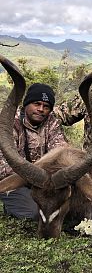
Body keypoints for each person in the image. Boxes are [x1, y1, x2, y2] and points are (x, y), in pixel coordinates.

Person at [0, 83, 68, 219]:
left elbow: (61, 152)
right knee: (36, 212)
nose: (41, 109)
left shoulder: (52, 122)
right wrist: (36, 176)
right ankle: (11, 205)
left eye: (46, 106)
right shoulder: (9, 123)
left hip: (43, 183)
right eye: (36, 104)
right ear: (26, 104)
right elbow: (3, 166)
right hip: (14, 181)